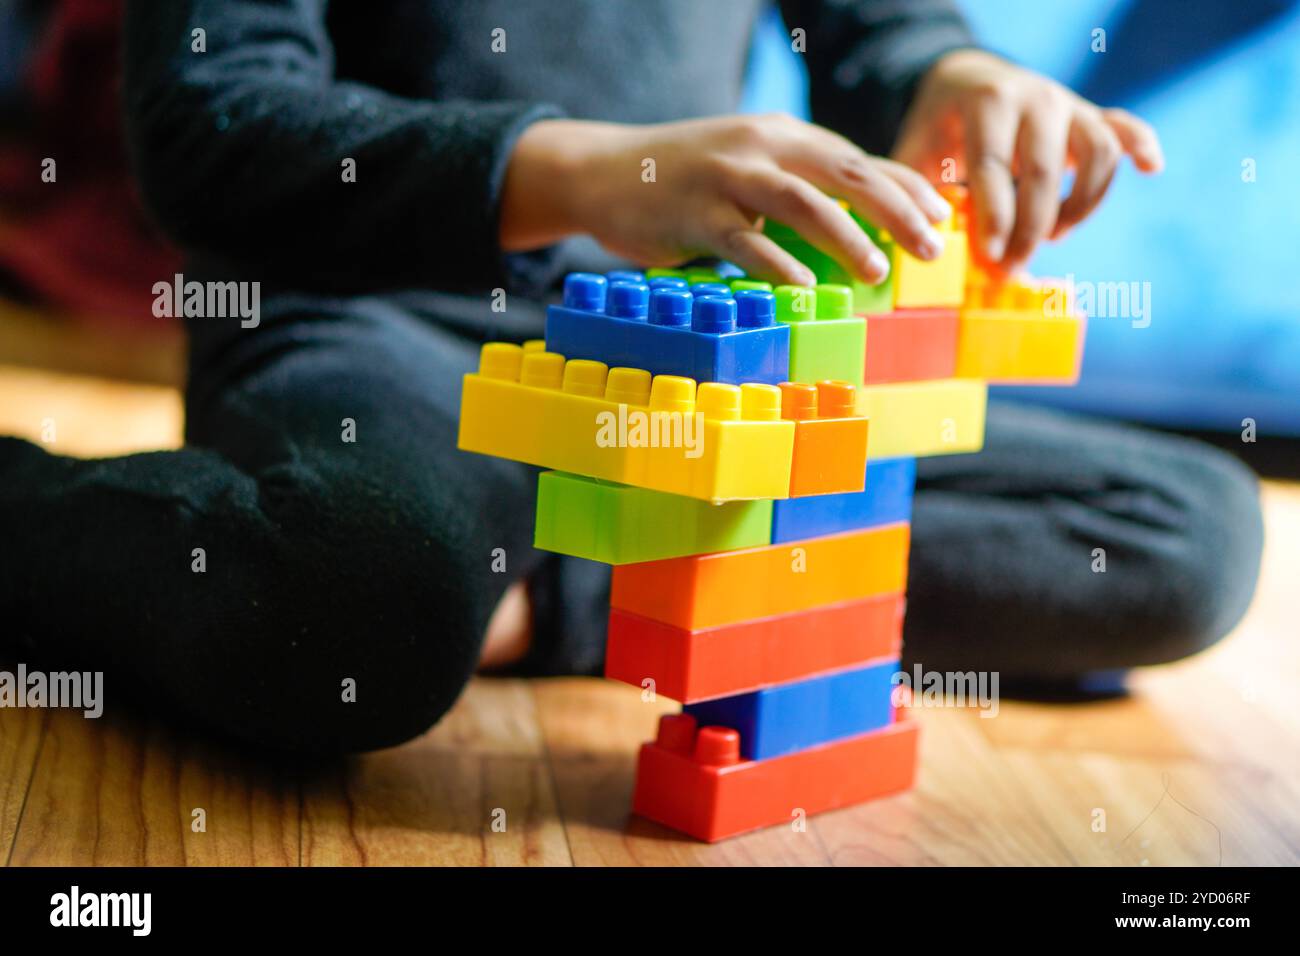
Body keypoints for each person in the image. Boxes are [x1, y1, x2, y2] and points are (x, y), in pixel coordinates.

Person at [0, 0, 1262, 754]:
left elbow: (881, 35)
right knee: (358, 600)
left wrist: (952, 77)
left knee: (1182, 535)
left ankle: (562, 589)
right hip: (369, 325)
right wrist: (603, 176)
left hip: (689, 361)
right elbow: (209, 126)